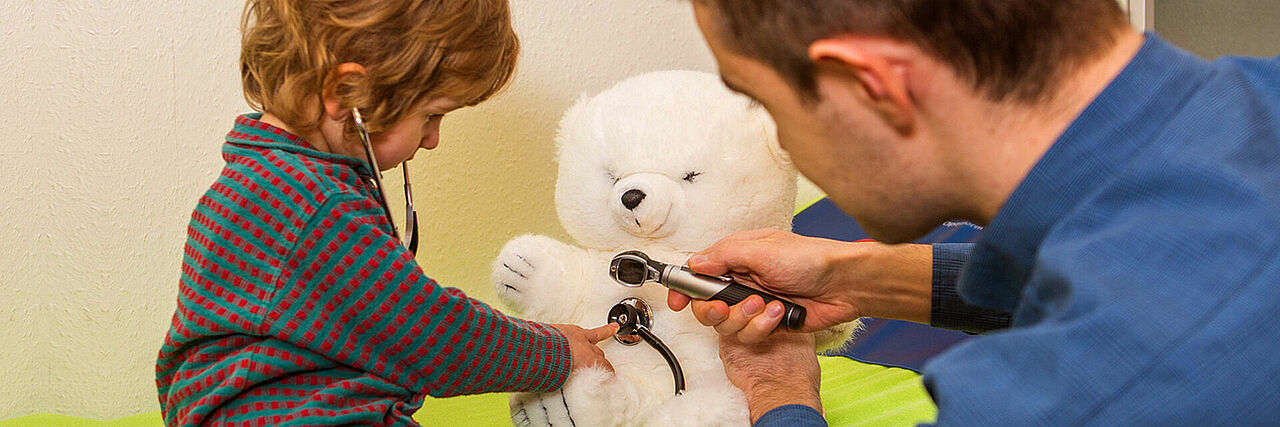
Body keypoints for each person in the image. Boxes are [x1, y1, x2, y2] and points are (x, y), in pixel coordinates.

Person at [666, 0, 1280, 425]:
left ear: (872, 86)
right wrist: (858, 276)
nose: (787, 145)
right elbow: (1145, 262)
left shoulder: (1101, 389)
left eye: (766, 103)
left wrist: (779, 395)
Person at [154, 1, 617, 425]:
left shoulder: (264, 178)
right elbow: (431, 335)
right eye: (432, 115)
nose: (433, 139)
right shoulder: (316, 204)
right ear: (348, 91)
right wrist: (555, 352)